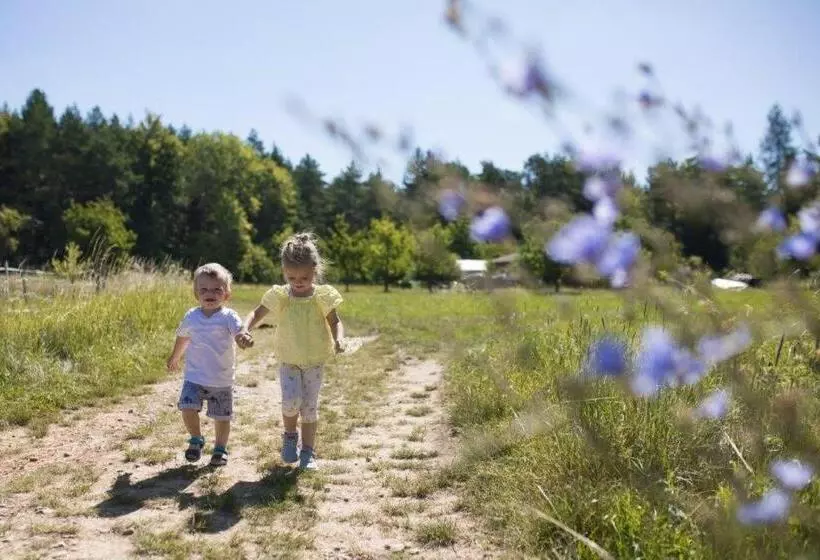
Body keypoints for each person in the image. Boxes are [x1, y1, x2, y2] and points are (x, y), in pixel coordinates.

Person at [242, 232, 344, 470]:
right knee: (290, 402)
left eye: (304, 277)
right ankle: (289, 436)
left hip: (314, 359)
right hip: (288, 358)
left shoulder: (322, 295)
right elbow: (256, 314)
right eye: (291, 277)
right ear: (283, 272)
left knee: (309, 407)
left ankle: (308, 453)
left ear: (315, 270)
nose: (298, 282)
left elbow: (335, 321)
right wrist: (246, 329)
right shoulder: (281, 295)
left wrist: (339, 339)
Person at [167, 263, 254, 467]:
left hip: (221, 379)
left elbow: (239, 333)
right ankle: (196, 439)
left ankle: (220, 449)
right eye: (204, 289)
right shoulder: (192, 316)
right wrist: (175, 357)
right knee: (187, 408)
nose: (210, 293)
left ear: (226, 294)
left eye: (217, 289)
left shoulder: (228, 316)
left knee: (222, 417)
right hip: (194, 377)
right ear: (196, 293)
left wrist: (243, 339)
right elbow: (183, 338)